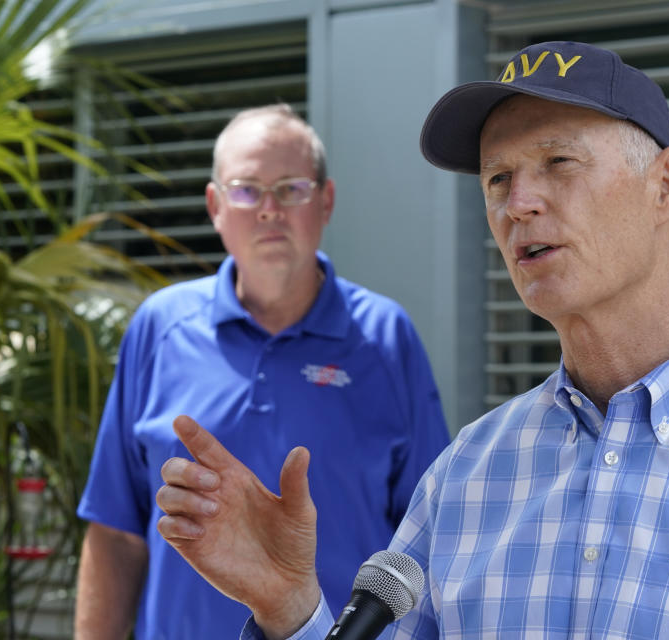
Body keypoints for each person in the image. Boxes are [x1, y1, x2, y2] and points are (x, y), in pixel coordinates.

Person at [154, 42, 669, 639]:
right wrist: (290, 606)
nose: (519, 203)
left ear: (667, 184)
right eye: (497, 180)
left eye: (558, 163)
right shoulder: (466, 478)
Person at [74, 104, 449, 640]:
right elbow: (116, 532)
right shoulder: (160, 327)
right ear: (215, 206)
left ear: (326, 201)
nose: (269, 210)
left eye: (291, 189)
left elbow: (427, 542)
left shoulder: (385, 337)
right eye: (247, 190)